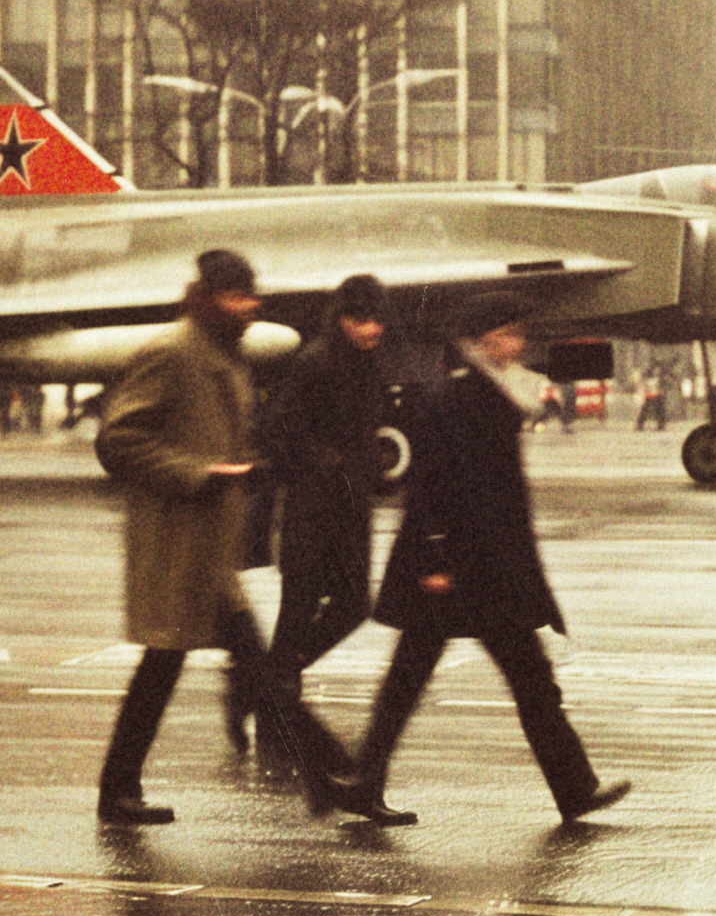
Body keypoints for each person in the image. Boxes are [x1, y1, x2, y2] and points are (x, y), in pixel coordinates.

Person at [344, 292, 631, 826]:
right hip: (458, 568)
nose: (515, 343)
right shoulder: (454, 396)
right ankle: (572, 789)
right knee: (425, 680)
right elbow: (430, 488)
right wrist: (433, 561)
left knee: (518, 680)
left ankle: (573, 788)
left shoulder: (494, 392)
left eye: (517, 333)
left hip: (486, 565)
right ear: (479, 341)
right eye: (504, 334)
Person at [93, 250, 357, 825]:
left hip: (210, 546)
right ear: (209, 298)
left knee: (233, 667)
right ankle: (336, 775)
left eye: (251, 295)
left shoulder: (223, 357)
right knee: (177, 664)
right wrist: (200, 473)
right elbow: (117, 440)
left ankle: (331, 779)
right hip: (176, 541)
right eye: (237, 297)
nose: (250, 306)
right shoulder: (171, 353)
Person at [260, 275, 391, 745]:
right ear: (343, 320)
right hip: (312, 507)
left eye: (378, 319)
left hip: (351, 506)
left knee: (354, 605)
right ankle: (276, 702)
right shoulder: (315, 363)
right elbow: (277, 429)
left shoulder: (368, 364)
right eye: (362, 319)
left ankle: (274, 681)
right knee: (298, 608)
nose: (373, 328)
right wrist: (325, 461)